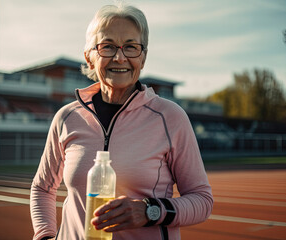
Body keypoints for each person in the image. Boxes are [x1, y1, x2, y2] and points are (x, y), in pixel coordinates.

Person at [30, 4, 213, 240]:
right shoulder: (66, 117)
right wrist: (44, 236)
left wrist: (150, 211)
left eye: (131, 47)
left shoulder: (170, 117)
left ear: (143, 57)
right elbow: (42, 188)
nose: (120, 57)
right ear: (89, 56)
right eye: (108, 47)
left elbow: (202, 200)